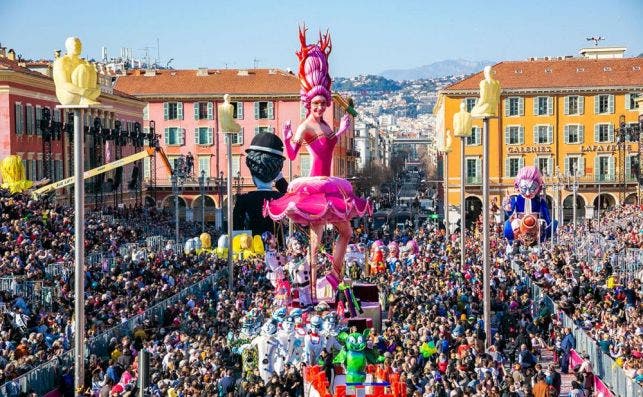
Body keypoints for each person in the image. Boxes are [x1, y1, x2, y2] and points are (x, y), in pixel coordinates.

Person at [263, 26, 371, 292]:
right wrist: (288, 137)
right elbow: (290, 155)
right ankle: (312, 288)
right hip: (314, 185)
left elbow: (330, 147)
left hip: (330, 183)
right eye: (317, 105)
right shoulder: (306, 127)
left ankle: (334, 276)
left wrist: (342, 131)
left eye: (324, 104)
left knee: (346, 232)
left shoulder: (325, 126)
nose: (321, 107)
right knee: (315, 241)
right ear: (309, 105)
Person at [52, 37, 100, 106]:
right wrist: (83, 92)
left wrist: (97, 89)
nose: (78, 46)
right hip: (68, 95)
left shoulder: (83, 62)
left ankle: (89, 98)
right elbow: (64, 84)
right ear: (68, 47)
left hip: (86, 94)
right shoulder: (61, 62)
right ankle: (84, 99)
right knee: (82, 67)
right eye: (76, 44)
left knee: (90, 68)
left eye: (80, 44)